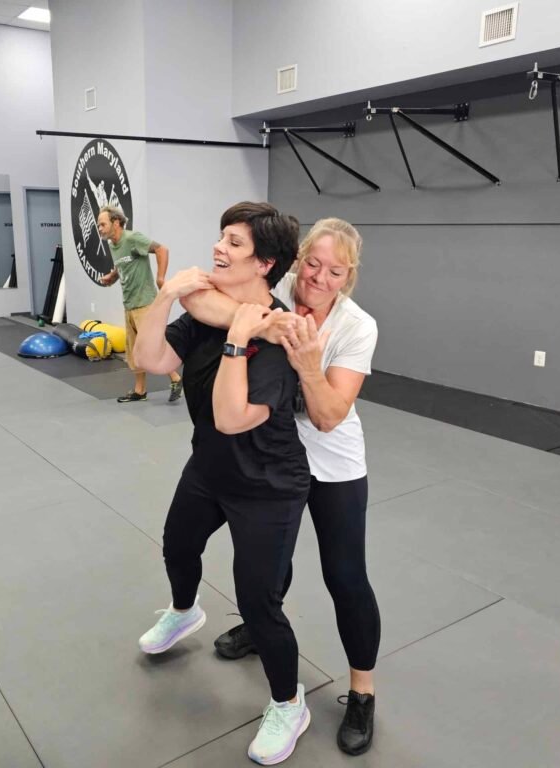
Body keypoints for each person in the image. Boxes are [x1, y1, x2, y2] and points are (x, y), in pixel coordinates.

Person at [181, 217, 380, 756]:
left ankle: (362, 691)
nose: (318, 277)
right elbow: (201, 300)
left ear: (348, 276)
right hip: (270, 458)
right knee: (268, 565)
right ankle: (260, 627)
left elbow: (330, 416)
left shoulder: (357, 326)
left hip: (332, 465)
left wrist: (308, 364)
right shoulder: (282, 290)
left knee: (345, 576)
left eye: (334, 271)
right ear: (296, 261)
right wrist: (265, 325)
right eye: (312, 263)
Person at [133, 202, 312, 765]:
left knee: (258, 604)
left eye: (234, 243)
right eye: (221, 238)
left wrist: (238, 341)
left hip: (268, 484)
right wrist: (163, 297)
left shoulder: (279, 337)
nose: (218, 249)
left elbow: (234, 417)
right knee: (177, 543)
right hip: (209, 467)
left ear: (265, 263)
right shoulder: (208, 311)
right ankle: (184, 610)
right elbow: (148, 357)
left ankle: (289, 702)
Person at [96, 205, 182, 403]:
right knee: (135, 350)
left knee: (152, 346)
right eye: (98, 225)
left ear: (116, 222)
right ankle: (140, 390)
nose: (99, 228)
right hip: (129, 303)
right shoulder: (113, 245)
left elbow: (162, 249)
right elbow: (122, 264)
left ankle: (176, 378)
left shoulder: (133, 238)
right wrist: (112, 276)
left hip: (145, 303)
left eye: (102, 224)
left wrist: (161, 278)